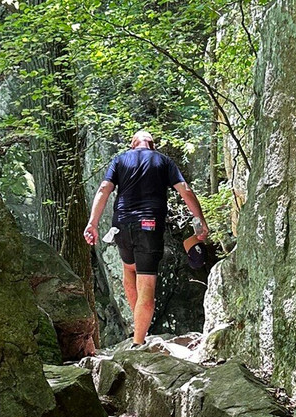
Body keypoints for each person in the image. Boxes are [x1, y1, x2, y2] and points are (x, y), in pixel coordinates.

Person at [84, 130, 209, 348]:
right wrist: (200, 219)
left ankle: (139, 328)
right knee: (147, 284)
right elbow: (185, 191)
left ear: (133, 145)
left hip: (121, 225)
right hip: (149, 226)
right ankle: (138, 342)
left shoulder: (120, 159)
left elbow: (104, 188)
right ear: (152, 145)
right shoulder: (163, 161)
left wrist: (92, 223)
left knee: (129, 270)